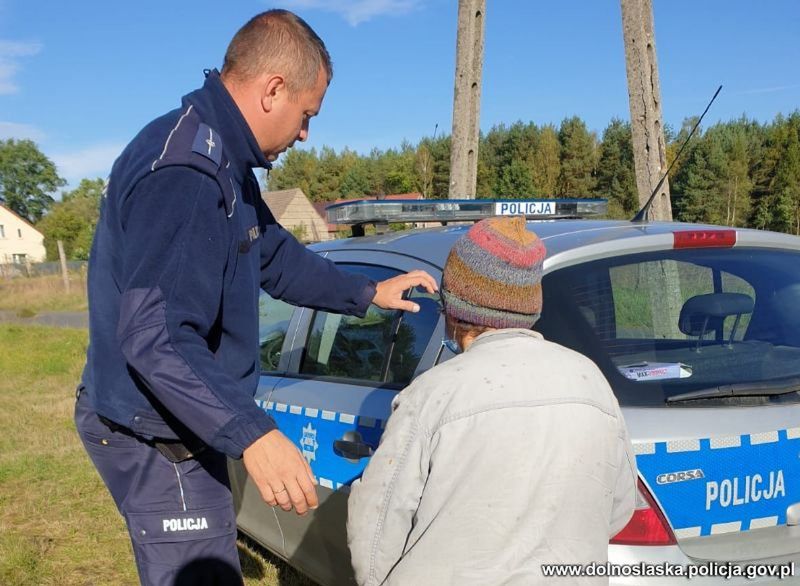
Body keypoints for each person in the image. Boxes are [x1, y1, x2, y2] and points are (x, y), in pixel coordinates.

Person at [74, 9, 436, 586]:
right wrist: (255, 434)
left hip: (178, 419)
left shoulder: (225, 160)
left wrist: (367, 290)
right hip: (153, 431)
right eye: (306, 114)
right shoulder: (188, 171)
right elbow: (155, 334)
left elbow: (273, 255)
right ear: (274, 90)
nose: (304, 134)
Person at [347, 216, 637, 585]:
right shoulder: (591, 380)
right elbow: (617, 507)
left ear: (454, 307)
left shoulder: (431, 396)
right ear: (530, 305)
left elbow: (374, 539)